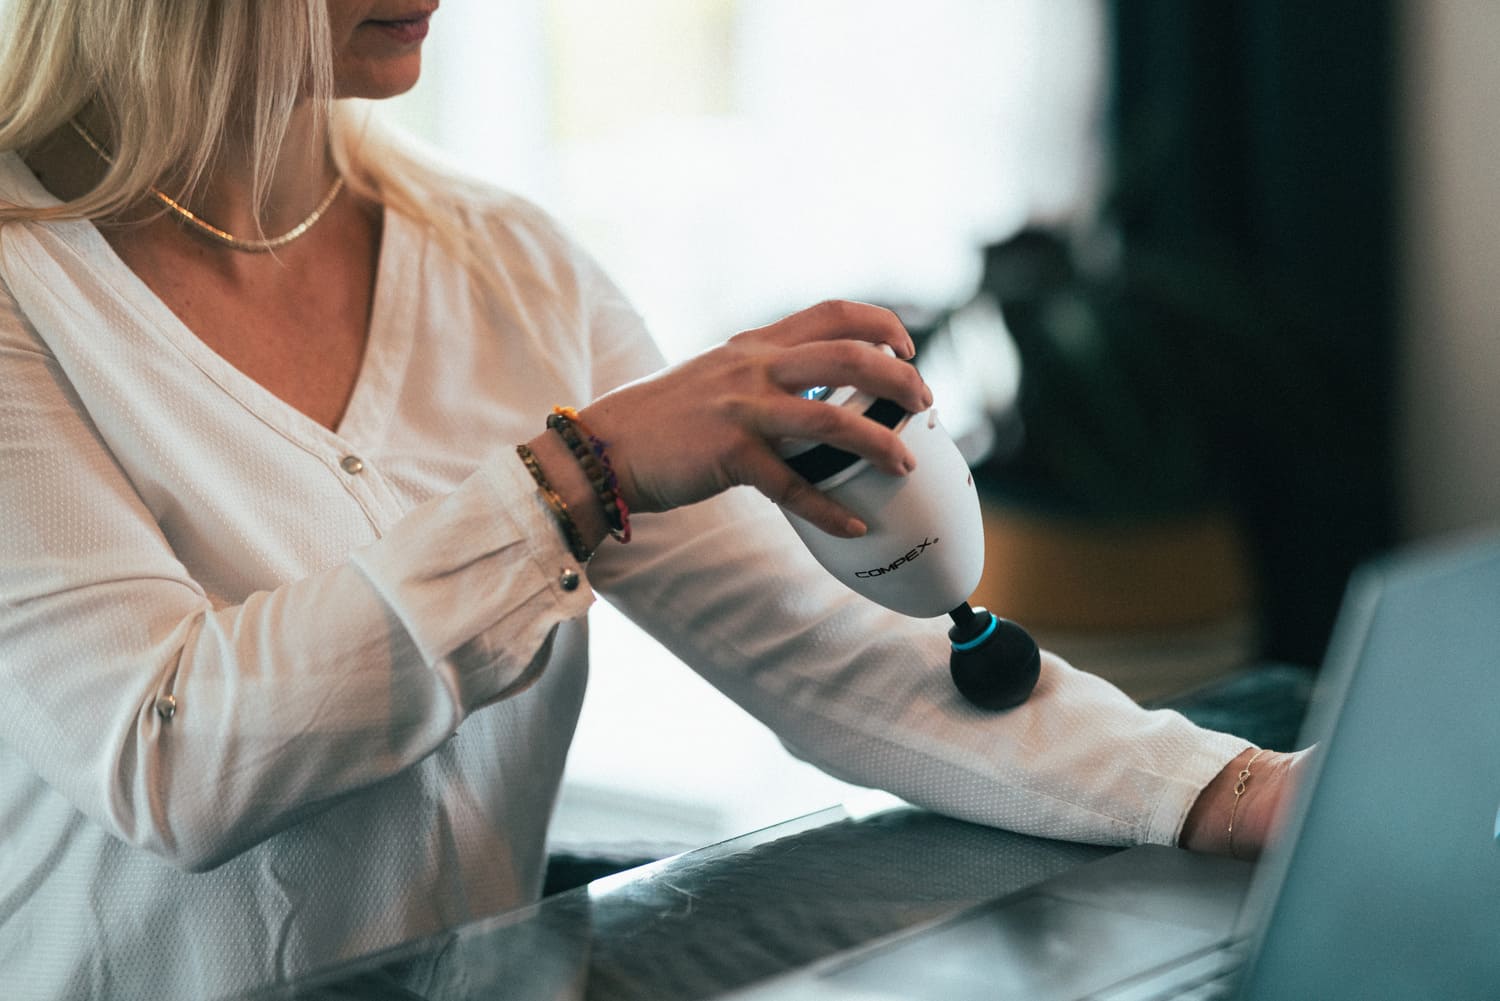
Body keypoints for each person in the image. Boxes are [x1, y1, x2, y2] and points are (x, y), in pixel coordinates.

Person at [0, 2, 1303, 998]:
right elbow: (169, 756)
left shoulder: (504, 264)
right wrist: (581, 478)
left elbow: (831, 652)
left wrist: (1228, 785)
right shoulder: (18, 283)